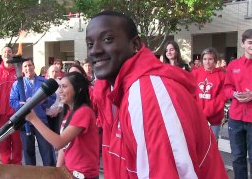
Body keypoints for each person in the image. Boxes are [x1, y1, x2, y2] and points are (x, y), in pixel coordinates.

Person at [86, 11, 227, 178]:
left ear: (135, 44)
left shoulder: (149, 95)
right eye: (89, 44)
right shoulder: (108, 91)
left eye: (107, 39)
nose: (95, 50)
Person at [26, 72, 99, 178]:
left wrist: (33, 118)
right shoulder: (70, 112)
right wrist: (58, 170)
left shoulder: (84, 112)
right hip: (70, 172)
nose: (60, 91)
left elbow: (59, 142)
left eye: (64, 87)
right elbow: (64, 146)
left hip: (83, 175)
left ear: (78, 89)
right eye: (59, 87)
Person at [10, 59, 56, 166]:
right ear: (22, 69)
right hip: (25, 123)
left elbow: (53, 97)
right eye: (25, 66)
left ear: (34, 66)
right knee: (28, 152)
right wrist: (22, 106)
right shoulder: (17, 84)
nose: (28, 68)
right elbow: (12, 101)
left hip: (41, 121)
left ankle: (49, 174)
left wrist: (45, 101)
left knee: (47, 150)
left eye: (29, 65)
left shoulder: (43, 81)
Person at [0, 46, 22, 165]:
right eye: (5, 52)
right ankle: (5, 167)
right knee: (3, 143)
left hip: (17, 114)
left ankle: (17, 169)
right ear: (1, 55)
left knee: (17, 144)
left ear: (13, 54)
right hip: (1, 115)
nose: (7, 53)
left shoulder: (19, 71)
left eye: (10, 51)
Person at [223, 29, 252, 179]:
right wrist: (234, 94)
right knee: (238, 156)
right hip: (235, 117)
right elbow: (227, 87)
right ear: (243, 44)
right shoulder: (234, 64)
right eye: (250, 42)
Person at [191, 47, 227, 141]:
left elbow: (222, 97)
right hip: (197, 117)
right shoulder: (195, 73)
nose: (207, 62)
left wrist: (205, 112)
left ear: (215, 60)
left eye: (210, 59)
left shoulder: (222, 75)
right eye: (205, 59)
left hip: (214, 119)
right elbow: (191, 94)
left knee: (212, 146)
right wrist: (197, 112)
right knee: (197, 145)